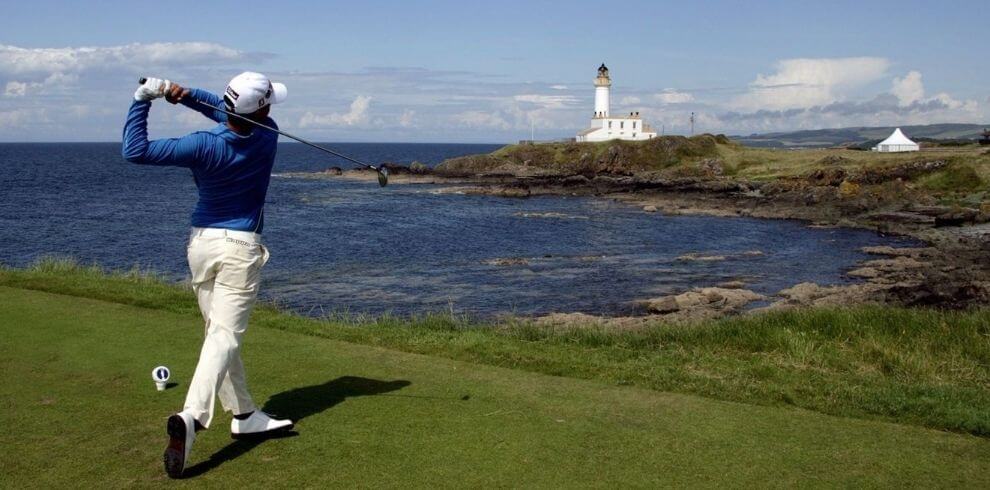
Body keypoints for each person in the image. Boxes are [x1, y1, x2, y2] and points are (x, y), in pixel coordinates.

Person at [122, 72, 294, 479]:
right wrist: (181, 96)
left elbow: (135, 150)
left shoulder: (201, 143)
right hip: (240, 248)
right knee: (224, 336)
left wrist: (145, 98)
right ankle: (193, 417)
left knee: (217, 332)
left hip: (201, 244)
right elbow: (223, 110)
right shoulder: (268, 134)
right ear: (264, 109)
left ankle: (245, 414)